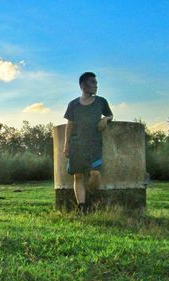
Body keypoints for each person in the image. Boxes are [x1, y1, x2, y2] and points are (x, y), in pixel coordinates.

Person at [63, 72, 113, 212]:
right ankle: (82, 207)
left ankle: (90, 193)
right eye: (93, 83)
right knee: (78, 176)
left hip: (94, 144)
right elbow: (69, 125)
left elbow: (110, 114)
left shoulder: (101, 101)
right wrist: (66, 144)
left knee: (95, 173)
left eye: (96, 83)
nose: (96, 86)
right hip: (77, 144)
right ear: (83, 85)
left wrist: (105, 119)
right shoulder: (73, 104)